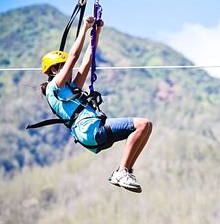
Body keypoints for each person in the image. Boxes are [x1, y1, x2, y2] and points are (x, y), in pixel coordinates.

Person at [39, 16, 152, 193]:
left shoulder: (72, 87)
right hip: (90, 131)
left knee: (145, 126)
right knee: (141, 124)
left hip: (94, 130)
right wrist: (84, 28)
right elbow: (75, 57)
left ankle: (125, 171)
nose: (68, 69)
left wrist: (97, 32)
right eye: (63, 66)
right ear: (54, 70)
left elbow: (87, 60)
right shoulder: (54, 88)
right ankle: (121, 172)